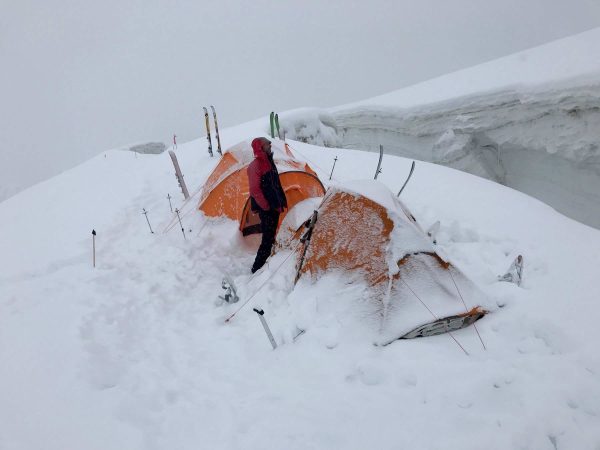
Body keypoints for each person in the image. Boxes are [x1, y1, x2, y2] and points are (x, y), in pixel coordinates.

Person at [247, 137, 287, 273]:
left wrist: (280, 201)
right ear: (260, 147)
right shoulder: (255, 166)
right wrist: (266, 206)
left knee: (271, 235)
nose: (270, 145)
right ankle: (257, 268)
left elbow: (275, 184)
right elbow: (255, 190)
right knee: (267, 238)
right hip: (267, 209)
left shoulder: (269, 161)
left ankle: (268, 261)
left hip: (274, 206)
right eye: (267, 144)